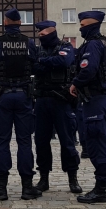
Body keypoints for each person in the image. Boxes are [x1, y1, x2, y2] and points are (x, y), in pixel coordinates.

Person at [0, 8, 40, 201]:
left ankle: (1, 187)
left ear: (5, 21)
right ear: (20, 23)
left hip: (3, 96)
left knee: (2, 142)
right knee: (25, 141)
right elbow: (36, 66)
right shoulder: (29, 42)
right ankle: (27, 187)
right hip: (24, 96)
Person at [70, 10, 106, 203]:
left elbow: (88, 69)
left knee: (97, 145)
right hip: (105, 99)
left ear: (91, 24)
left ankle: (100, 189)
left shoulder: (92, 45)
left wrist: (75, 83)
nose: (81, 29)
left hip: (95, 100)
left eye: (82, 25)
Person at [32, 20, 82, 194]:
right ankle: (43, 178)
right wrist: (46, 61)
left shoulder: (66, 46)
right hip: (42, 100)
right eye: (39, 34)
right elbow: (32, 65)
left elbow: (64, 61)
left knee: (67, 141)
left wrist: (42, 62)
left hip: (62, 100)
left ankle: (72, 178)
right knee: (41, 142)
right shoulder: (38, 50)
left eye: (43, 34)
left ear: (52, 32)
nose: (40, 36)